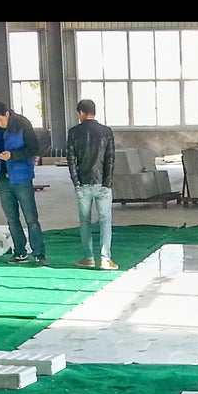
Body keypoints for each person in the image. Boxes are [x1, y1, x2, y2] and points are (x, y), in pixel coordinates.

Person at [0, 101, 46, 265]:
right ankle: (20, 252)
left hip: (22, 177)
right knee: (11, 218)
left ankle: (39, 253)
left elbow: (34, 148)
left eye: (1, 120)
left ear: (7, 114)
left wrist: (12, 155)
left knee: (31, 218)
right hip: (3, 178)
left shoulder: (22, 123)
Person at [66, 98, 116, 270]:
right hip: (103, 183)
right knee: (105, 221)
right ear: (94, 112)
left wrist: (76, 183)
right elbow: (110, 160)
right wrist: (107, 183)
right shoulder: (106, 132)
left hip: (83, 185)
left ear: (80, 113)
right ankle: (105, 259)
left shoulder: (73, 132)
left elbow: (71, 160)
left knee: (85, 221)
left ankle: (88, 257)